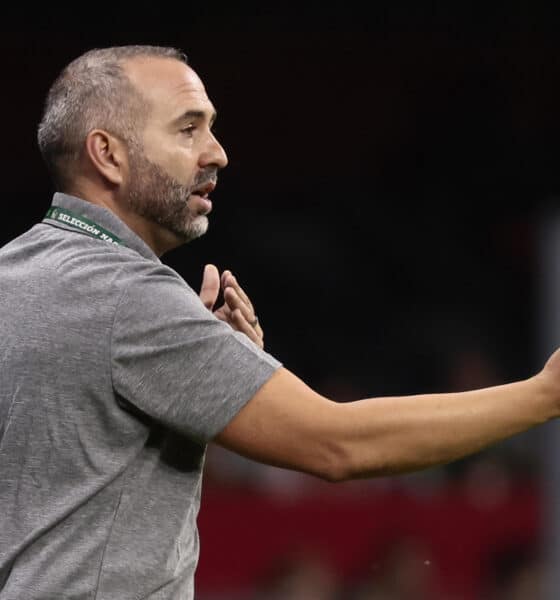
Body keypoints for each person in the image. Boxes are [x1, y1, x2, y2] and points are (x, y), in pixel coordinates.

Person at [0, 44, 559, 600]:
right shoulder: (130, 297)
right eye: (188, 128)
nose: (217, 152)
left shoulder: (14, 272)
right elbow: (337, 444)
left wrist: (199, 369)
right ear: (108, 154)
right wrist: (542, 395)